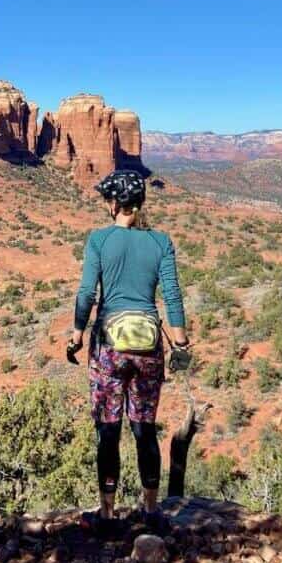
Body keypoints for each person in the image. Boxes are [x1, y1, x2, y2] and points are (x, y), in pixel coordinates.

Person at [67, 169, 190, 538]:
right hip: (148, 347)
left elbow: (87, 293)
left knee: (108, 429)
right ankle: (151, 511)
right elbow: (172, 295)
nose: (107, 204)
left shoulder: (99, 240)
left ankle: (107, 515)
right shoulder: (160, 242)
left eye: (109, 199)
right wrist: (181, 343)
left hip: (109, 348)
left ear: (116, 203)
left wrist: (76, 334)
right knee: (143, 428)